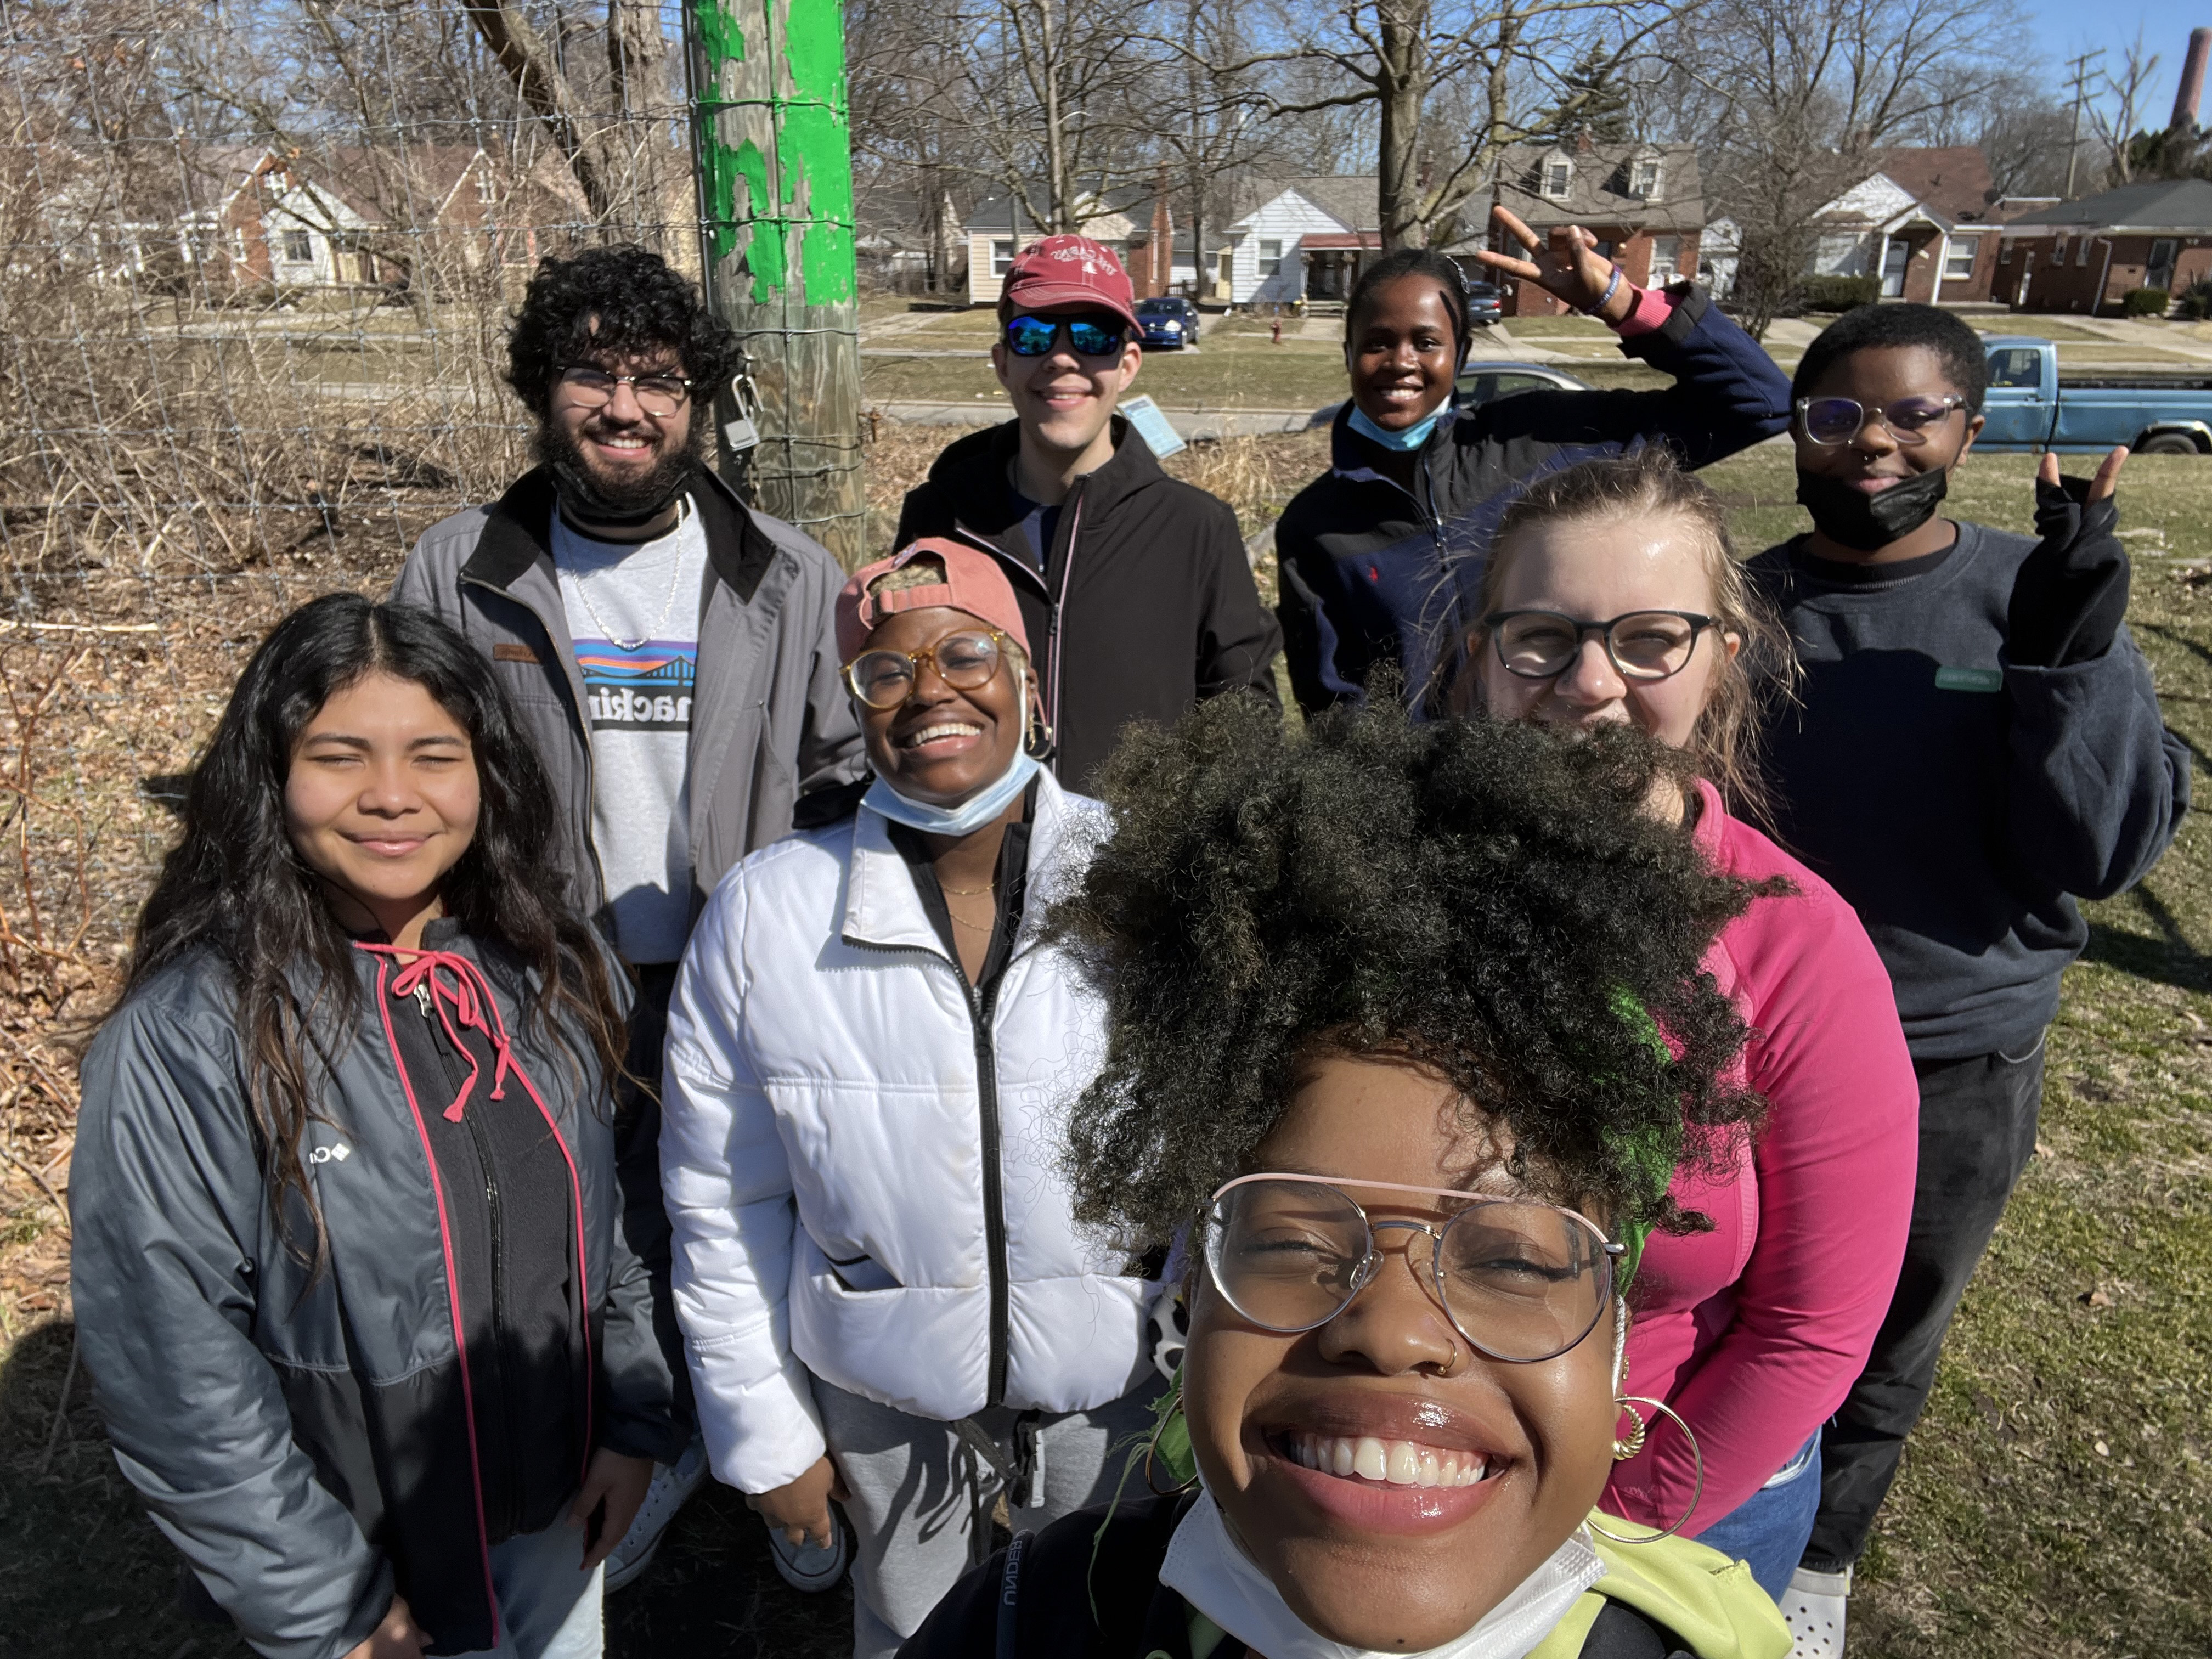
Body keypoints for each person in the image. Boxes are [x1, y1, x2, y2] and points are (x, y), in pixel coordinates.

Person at [901, 697, 1791, 1659]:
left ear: (1615, 1348)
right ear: (1188, 1293)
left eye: (1518, 1262)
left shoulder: (1708, 1639)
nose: (1392, 1328)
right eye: (1289, 1239)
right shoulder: (1030, 1621)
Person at [70, 594, 680, 1659]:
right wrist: (329, 1609)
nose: (392, 798)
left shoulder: (555, 967)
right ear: (271, 775)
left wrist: (633, 1425)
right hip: (364, 1568)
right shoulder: (196, 1034)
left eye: (434, 756)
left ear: (486, 772)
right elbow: (174, 1364)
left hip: (559, 1522)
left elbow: (623, 1208)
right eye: (341, 756)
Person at [393, 245, 865, 1588]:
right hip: (537, 975)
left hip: (729, 976)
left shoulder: (781, 574)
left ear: (698, 400)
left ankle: (772, 1461)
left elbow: (837, 779)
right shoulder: (459, 570)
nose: (624, 406)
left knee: (739, 1221)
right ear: (541, 389)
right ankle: (618, 1453)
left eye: (658, 380)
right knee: (569, 1233)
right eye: (591, 372)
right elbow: (406, 763)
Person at [1744, 302, 2189, 1649]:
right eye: (1836, 415)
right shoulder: (1736, 609)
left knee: (1888, 1329)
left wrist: (2072, 661)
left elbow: (2102, 850)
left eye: (1911, 414)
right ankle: (1710, 1518)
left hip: (1954, 1052)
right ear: (1796, 431)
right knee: (1739, 1305)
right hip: (1746, 1038)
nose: (1871, 443)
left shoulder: (2033, 592)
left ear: (1970, 430)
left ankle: (1819, 1561)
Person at [659, 539, 1169, 1658]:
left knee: (1099, 1626)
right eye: (883, 673)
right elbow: (719, 1199)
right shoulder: (767, 914)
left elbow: (1227, 1158)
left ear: (1026, 682)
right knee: (909, 1632)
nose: (929, 690)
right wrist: (764, 1434)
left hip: (1112, 1386)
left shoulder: (1152, 884)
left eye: (966, 654)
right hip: (881, 1394)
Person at [1456, 449, 1918, 1601]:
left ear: (1721, 659)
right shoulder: (1380, 890)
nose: (1593, 683)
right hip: (1415, 1468)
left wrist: (1600, 1541)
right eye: (1542, 638)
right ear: (1483, 658)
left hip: (1673, 1508)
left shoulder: (1797, 946)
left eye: (1651, 639)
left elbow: (1810, 1332)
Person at [1273, 206, 1793, 715]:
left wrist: (1621, 302)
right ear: (1347, 355)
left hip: (1578, 757)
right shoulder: (1315, 525)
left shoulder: (1541, 438)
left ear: (1462, 356)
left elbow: (1760, 403)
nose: (1402, 361)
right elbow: (1334, 707)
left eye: (1427, 342)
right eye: (1377, 343)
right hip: (1431, 796)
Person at [892, 233, 1281, 791]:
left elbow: (1245, 726)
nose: (1062, 359)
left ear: (1127, 365)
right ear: (1003, 362)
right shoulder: (938, 522)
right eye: (1034, 336)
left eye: (1093, 336)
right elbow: (899, 699)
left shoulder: (1196, 530)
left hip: (1136, 866)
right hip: (977, 861)